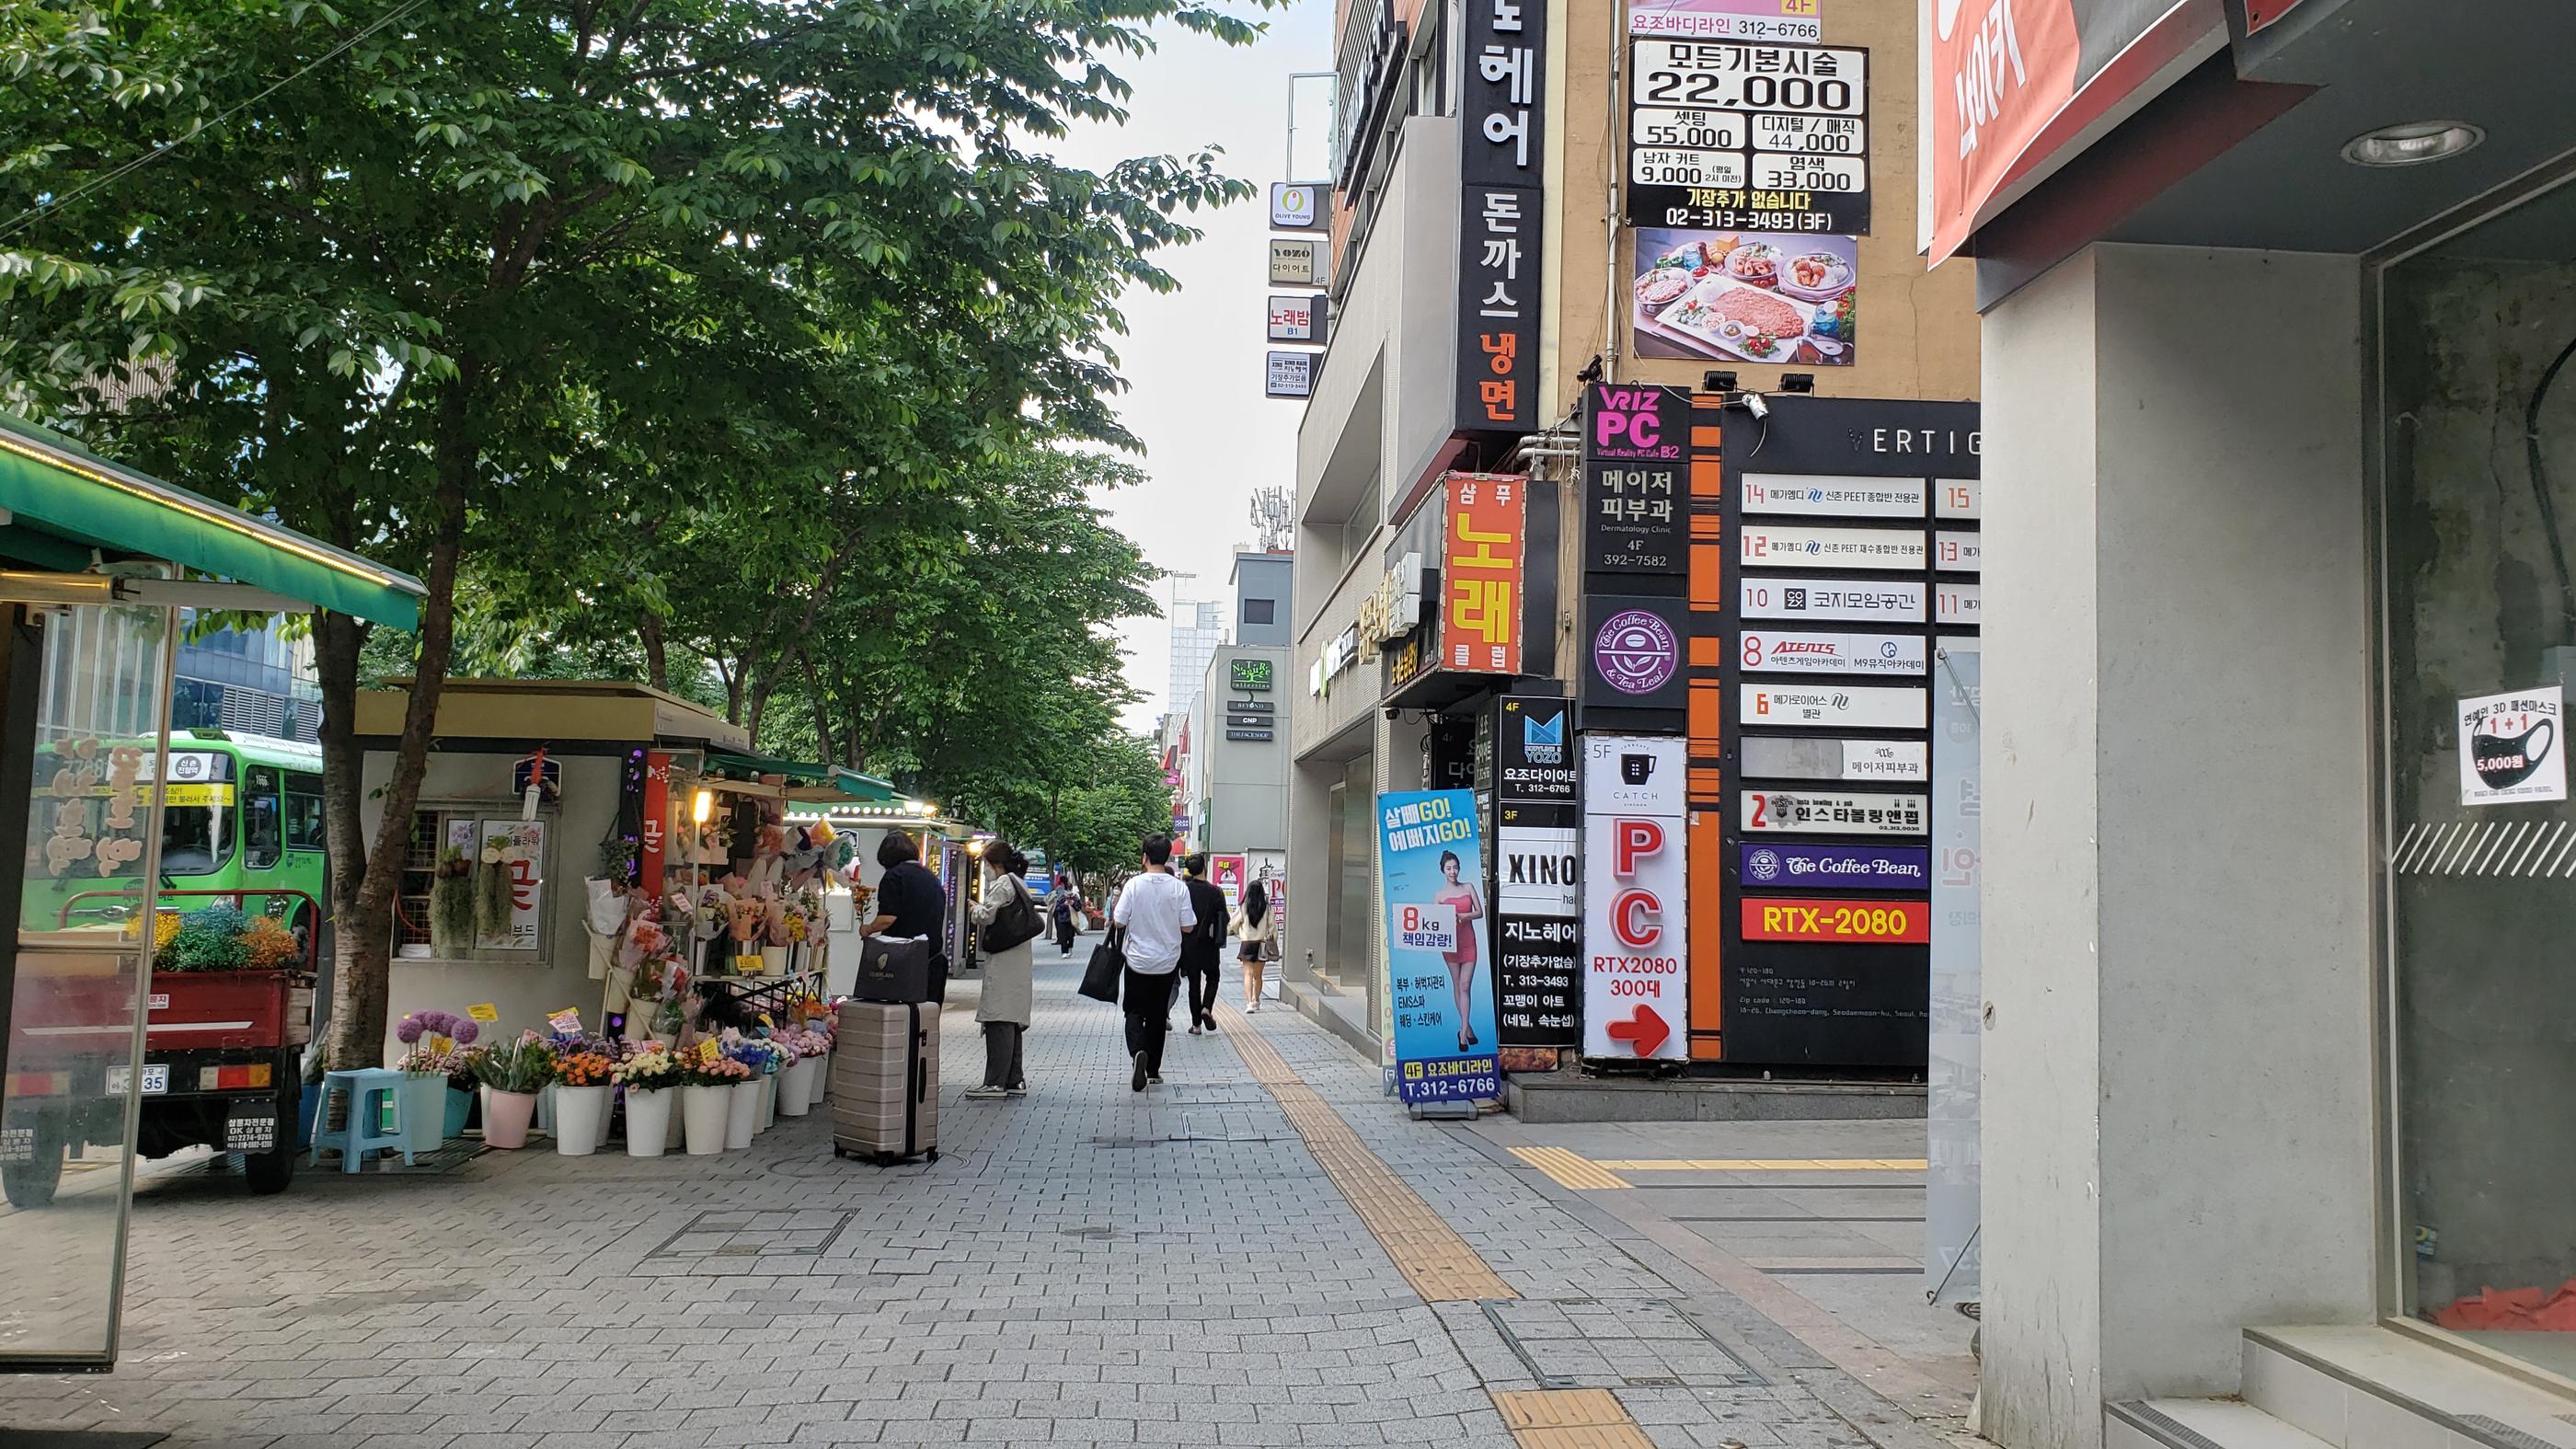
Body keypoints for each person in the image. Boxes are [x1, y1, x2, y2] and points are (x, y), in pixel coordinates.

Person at [1110, 834, 1193, 1092]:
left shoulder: (1134, 885)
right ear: (1167, 857)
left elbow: (1119, 920)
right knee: (1158, 1014)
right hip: (1167, 962)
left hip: (1137, 961)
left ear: (1144, 857)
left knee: (1134, 1010)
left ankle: (1138, 1051)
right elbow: (1188, 926)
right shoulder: (1179, 888)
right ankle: (1153, 1071)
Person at [965, 842, 1036, 1100]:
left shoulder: (1004, 883)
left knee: (998, 1019)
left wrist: (974, 909)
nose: (984, 870)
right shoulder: (1019, 882)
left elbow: (987, 915)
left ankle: (995, 1082)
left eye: (985, 864)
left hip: (1004, 961)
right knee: (1011, 1019)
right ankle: (1014, 1079)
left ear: (996, 864)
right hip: (1018, 960)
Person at [862, 830, 949, 1002]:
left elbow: (887, 919)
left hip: (902, 961)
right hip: (933, 958)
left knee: (900, 1012)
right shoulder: (931, 877)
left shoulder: (894, 876)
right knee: (927, 1013)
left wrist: (868, 929)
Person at [1433, 849, 1483, 1052]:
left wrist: (1463, 916)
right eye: (1448, 868)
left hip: (1469, 942)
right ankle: (1467, 1029)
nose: (1452, 871)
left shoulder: (1469, 887)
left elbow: (1479, 912)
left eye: (1455, 867)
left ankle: (1462, 1034)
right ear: (1443, 871)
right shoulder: (1439, 895)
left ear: (1459, 868)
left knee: (1465, 985)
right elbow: (1435, 922)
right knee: (1457, 984)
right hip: (1450, 945)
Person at [1177, 855, 1228, 1036]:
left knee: (1194, 984)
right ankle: (1206, 1008)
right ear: (1204, 867)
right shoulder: (1215, 891)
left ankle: (1196, 1025)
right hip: (1209, 942)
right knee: (1213, 976)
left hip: (1189, 943)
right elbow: (1224, 917)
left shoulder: (1184, 890)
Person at [1232, 877, 1274, 1013]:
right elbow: (1272, 927)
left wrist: (1240, 933)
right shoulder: (1267, 908)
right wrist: (1271, 937)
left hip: (1247, 944)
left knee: (1248, 974)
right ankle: (1256, 1000)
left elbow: (1233, 924)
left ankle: (1249, 1003)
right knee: (1258, 976)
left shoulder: (1243, 907)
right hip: (1261, 944)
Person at [1050, 873, 1082, 957]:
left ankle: (1070, 947)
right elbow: (1058, 908)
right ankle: (1064, 952)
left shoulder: (1075, 897)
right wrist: (1064, 905)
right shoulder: (1061, 898)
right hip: (1062, 919)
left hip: (1071, 919)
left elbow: (1079, 908)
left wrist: (1073, 903)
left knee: (1070, 936)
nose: (1069, 895)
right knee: (1063, 936)